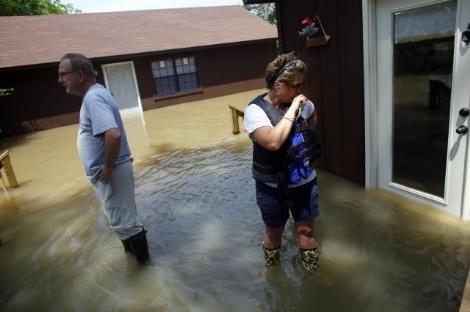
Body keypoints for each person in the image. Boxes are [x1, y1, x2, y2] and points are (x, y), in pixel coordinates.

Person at [58, 53, 150, 264]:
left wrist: (107, 168)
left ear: (80, 75)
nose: (60, 79)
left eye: (63, 74)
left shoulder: (93, 97)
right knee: (123, 222)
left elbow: (113, 133)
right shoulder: (96, 94)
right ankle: (134, 265)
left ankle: (144, 270)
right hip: (114, 170)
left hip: (113, 171)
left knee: (126, 223)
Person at [243, 52, 320, 271]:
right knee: (273, 233)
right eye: (295, 86)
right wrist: (295, 107)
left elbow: (313, 116)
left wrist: (307, 123)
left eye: (302, 85)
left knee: (306, 231)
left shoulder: (302, 103)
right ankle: (273, 275)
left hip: (304, 181)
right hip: (271, 185)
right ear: (278, 84)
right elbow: (273, 142)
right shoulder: (255, 111)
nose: (300, 91)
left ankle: (311, 274)